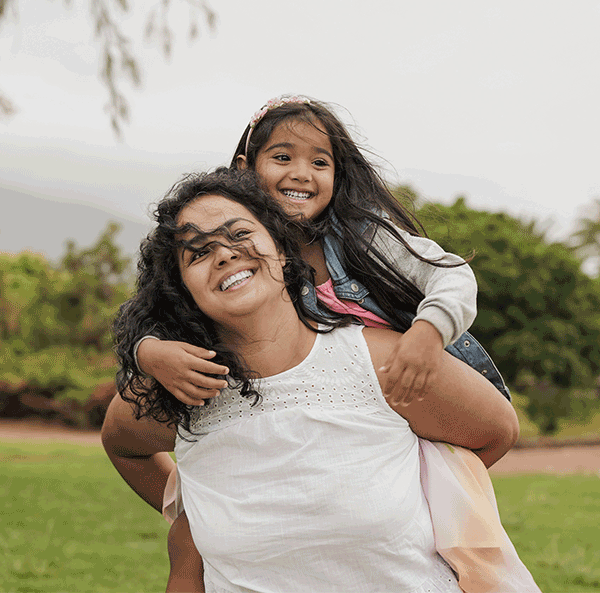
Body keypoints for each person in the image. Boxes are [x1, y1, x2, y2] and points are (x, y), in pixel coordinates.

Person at [103, 168, 540, 593]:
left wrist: (430, 492)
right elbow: (123, 445)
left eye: (239, 235)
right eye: (197, 252)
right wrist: (191, 517)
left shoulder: (378, 359)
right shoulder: (182, 387)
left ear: (280, 245)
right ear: (181, 286)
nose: (223, 254)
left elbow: (495, 431)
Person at [133, 95, 510, 411]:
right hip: (341, 413)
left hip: (427, 396)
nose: (302, 173)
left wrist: (429, 332)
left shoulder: (362, 235)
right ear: (245, 170)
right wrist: (150, 355)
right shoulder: (235, 258)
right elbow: (158, 307)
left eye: (319, 162)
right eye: (282, 158)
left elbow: (452, 273)